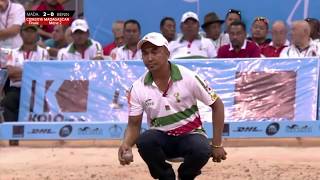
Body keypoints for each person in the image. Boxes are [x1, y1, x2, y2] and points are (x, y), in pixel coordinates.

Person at [118, 32, 227, 180]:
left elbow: (217, 105)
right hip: (161, 138)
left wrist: (217, 144)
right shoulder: (137, 87)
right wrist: (126, 144)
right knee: (144, 141)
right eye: (145, 53)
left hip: (190, 135)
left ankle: (186, 175)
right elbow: (134, 124)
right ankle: (165, 176)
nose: (149, 58)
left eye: (155, 52)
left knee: (202, 149)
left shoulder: (189, 77)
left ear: (167, 53)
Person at [2, 23, 49, 122]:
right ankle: (12, 135)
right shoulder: (12, 52)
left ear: (37, 34)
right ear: (21, 34)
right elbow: (10, 73)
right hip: (16, 89)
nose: (29, 34)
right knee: (6, 103)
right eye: (27, 31)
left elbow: (41, 74)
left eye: (32, 31)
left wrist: (19, 71)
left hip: (35, 90)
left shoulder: (43, 52)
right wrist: (32, 72)